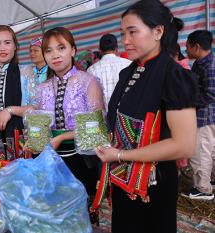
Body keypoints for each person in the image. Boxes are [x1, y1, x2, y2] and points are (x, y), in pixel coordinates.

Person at [93, 1, 197, 232]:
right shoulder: (128, 72)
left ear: (158, 31)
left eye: (132, 32)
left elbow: (184, 145)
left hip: (154, 184)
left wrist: (120, 154)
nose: (126, 40)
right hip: (123, 179)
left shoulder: (174, 76)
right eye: (123, 34)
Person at [35, 27, 104, 222]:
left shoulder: (88, 81)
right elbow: (39, 127)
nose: (55, 55)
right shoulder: (43, 87)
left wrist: (63, 136)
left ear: (73, 50)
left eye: (61, 48)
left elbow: (96, 129)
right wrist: (32, 138)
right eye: (49, 50)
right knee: (57, 215)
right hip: (53, 161)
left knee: (82, 214)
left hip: (83, 159)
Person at [0, 25, 36, 161]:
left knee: (22, 180)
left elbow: (36, 108)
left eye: (7, 43)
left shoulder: (26, 72)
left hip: (21, 139)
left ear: (15, 46)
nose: (2, 48)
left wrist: (10, 111)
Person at [181, 30, 215, 200]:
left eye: (187, 46)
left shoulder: (210, 65)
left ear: (197, 46)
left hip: (205, 117)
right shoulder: (201, 62)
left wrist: (189, 103)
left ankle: (203, 189)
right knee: (210, 151)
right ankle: (210, 181)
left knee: (201, 151)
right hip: (208, 116)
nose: (185, 50)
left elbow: (211, 94)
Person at [87, 34, 132, 110]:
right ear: (116, 49)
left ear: (100, 50)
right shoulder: (129, 64)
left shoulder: (91, 70)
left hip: (103, 119)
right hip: (126, 117)